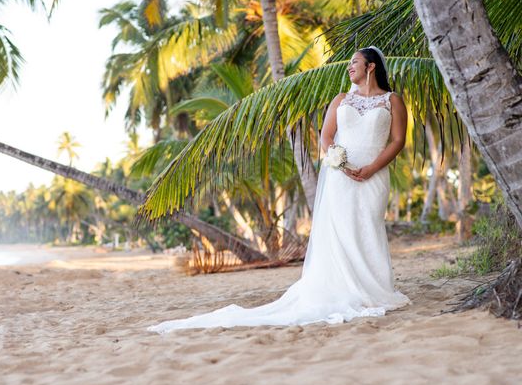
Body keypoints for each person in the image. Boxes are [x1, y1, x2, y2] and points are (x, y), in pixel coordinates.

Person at [147, 46, 411, 334]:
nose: (349, 68)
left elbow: (397, 140)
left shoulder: (392, 100)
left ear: (371, 67)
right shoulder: (341, 99)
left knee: (367, 227)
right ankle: (344, 289)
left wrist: (372, 168)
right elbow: (326, 136)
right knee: (341, 231)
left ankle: (372, 288)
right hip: (341, 175)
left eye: (355, 63)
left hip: (374, 175)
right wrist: (338, 160)